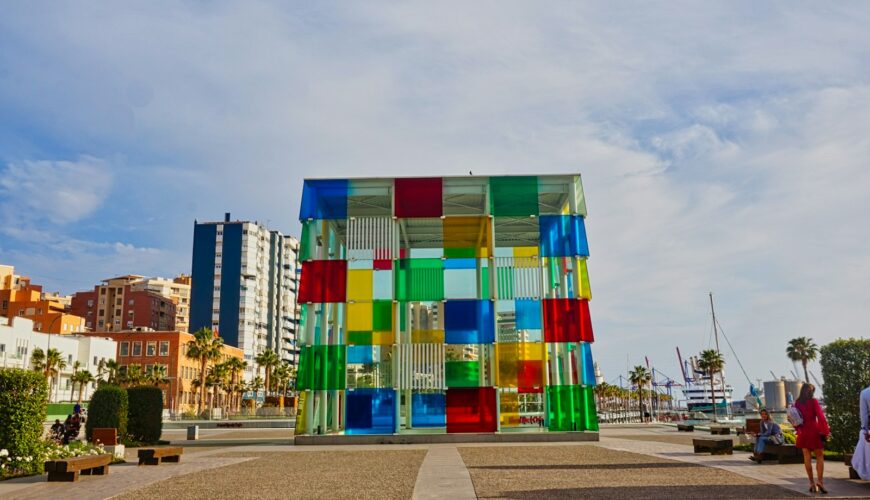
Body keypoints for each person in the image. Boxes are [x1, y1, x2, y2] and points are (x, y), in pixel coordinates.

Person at [794, 383, 830, 494]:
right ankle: (820, 481)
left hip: (803, 432)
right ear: (811, 391)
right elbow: (821, 416)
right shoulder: (813, 401)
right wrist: (825, 431)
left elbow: (795, 419)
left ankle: (811, 483)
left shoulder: (797, 403)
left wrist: (798, 429)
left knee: (807, 458)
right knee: (819, 457)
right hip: (813, 431)